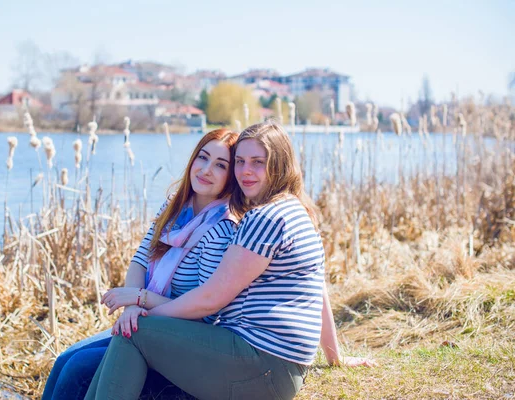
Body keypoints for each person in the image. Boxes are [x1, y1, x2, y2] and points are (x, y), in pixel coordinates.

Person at [85, 120, 374, 400]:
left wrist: (139, 309)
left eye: (258, 162)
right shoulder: (295, 210)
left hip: (261, 366)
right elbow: (317, 288)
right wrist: (334, 356)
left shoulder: (264, 218)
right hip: (277, 368)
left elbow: (211, 300)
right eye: (240, 162)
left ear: (279, 165)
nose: (246, 172)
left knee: (133, 332)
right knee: (117, 339)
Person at [42, 128, 239, 400]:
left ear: (232, 177)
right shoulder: (175, 207)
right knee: (65, 359)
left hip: (183, 335)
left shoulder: (221, 228)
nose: (206, 170)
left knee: (78, 370)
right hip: (147, 321)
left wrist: (141, 301)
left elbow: (204, 313)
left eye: (220, 165)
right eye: (202, 158)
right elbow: (140, 261)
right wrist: (133, 307)